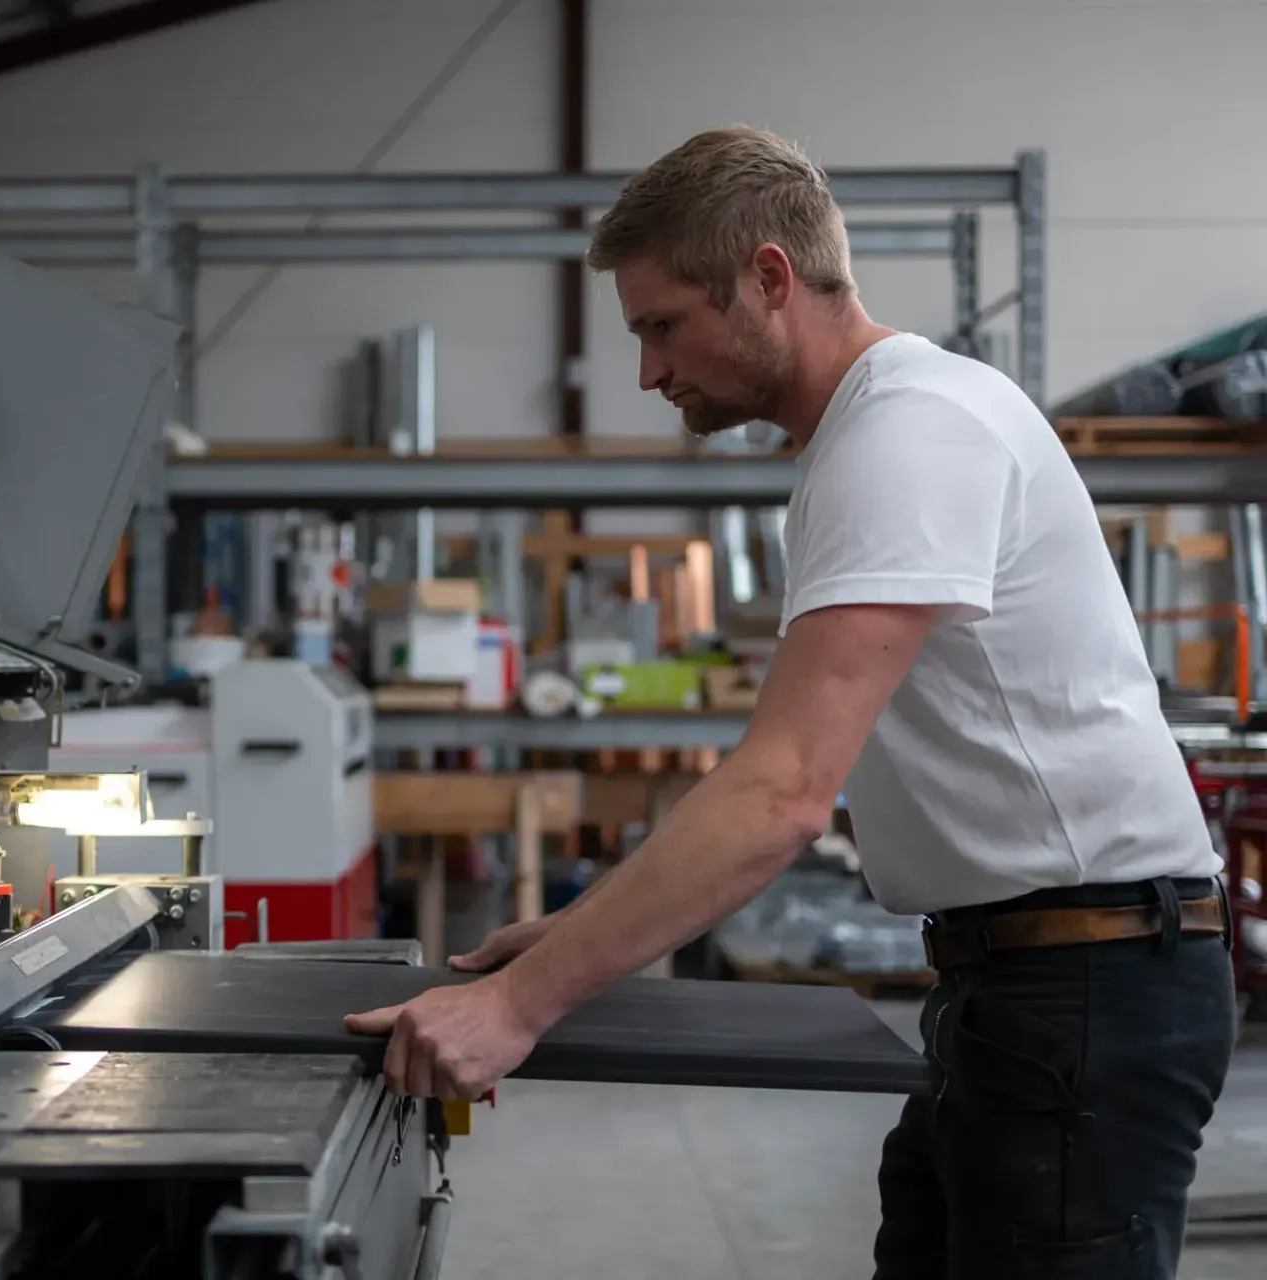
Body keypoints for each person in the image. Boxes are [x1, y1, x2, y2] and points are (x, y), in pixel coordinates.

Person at [344, 125, 1235, 1278]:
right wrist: (578, 932)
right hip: (1026, 982)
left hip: (1089, 988)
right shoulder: (864, 436)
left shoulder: (910, 431)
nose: (650, 372)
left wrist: (522, 1000)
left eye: (663, 325)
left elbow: (780, 792)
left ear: (769, 278)